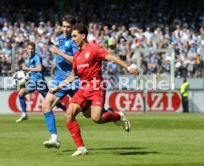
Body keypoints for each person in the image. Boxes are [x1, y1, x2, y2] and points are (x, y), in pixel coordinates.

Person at [50, 23, 140, 156]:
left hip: (96, 87)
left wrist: (128, 67)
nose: (73, 39)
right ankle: (81, 148)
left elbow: (112, 58)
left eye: (75, 36)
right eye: (72, 36)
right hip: (83, 88)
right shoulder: (76, 56)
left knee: (96, 118)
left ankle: (118, 115)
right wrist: (58, 87)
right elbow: (73, 76)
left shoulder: (94, 49)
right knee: (68, 115)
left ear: (83, 36)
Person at [42, 15, 79, 148]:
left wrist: (59, 52)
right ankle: (54, 138)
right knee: (46, 105)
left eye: (68, 27)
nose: (65, 29)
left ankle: (113, 115)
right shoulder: (61, 39)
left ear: (73, 28)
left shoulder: (75, 41)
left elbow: (76, 60)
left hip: (75, 81)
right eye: (63, 26)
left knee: (91, 115)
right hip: (60, 81)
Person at [15, 42, 66, 122]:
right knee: (21, 93)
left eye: (32, 49)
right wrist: (28, 75)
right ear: (27, 49)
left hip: (39, 82)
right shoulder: (30, 58)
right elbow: (34, 70)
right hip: (33, 82)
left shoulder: (36, 57)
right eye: (29, 49)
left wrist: (27, 69)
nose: (30, 50)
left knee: (51, 100)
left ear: (34, 49)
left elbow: (39, 69)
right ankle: (24, 114)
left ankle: (65, 109)